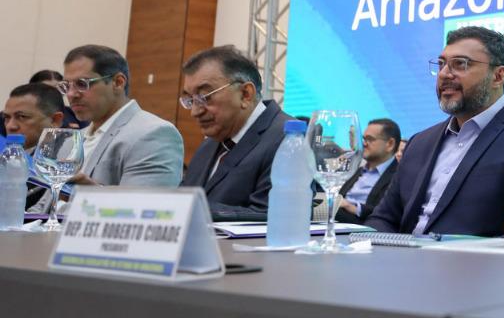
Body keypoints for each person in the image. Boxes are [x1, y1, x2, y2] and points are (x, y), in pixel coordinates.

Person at [367, 26, 504, 236]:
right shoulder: (419, 142)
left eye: (460, 64)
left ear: (498, 76)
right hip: (399, 254)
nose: (444, 74)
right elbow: (383, 219)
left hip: (478, 257)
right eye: (441, 64)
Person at [178, 46, 291, 221]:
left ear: (245, 94)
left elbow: (272, 216)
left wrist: (195, 210)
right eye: (190, 100)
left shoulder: (288, 139)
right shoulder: (210, 144)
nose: (194, 111)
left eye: (204, 97)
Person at [60, 45, 183, 188]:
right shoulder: (74, 138)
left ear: (118, 83)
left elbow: (144, 201)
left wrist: (91, 192)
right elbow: (47, 198)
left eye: (82, 84)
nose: (71, 94)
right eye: (66, 86)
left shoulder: (153, 134)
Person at [4, 83, 66, 210]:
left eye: (22, 117)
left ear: (55, 120)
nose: (10, 126)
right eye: (6, 118)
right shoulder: (8, 157)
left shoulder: (66, 161)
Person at [335, 118, 401, 224]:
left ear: (390, 144)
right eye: (364, 139)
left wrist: (352, 207)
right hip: (338, 219)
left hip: (365, 225)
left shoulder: (399, 176)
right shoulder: (357, 170)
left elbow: (392, 212)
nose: (364, 144)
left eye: (370, 139)